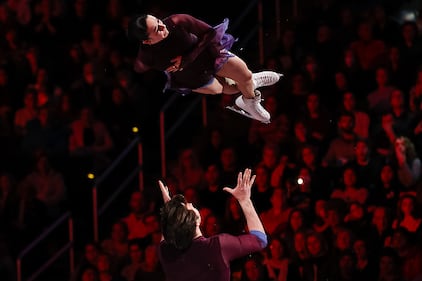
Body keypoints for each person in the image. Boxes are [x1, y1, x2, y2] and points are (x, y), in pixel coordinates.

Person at [127, 13, 282, 123]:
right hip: (189, 75)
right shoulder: (146, 57)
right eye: (156, 30)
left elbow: (210, 32)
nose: (162, 27)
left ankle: (250, 101)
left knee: (245, 76)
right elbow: (139, 69)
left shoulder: (177, 21)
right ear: (146, 42)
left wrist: (188, 58)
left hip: (204, 53)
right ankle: (248, 91)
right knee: (231, 88)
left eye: (159, 21)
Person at [157, 168, 267, 281]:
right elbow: (260, 240)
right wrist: (245, 201)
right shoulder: (218, 246)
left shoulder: (166, 251)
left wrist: (169, 212)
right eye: (189, 206)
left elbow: (168, 228)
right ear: (198, 220)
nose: (189, 202)